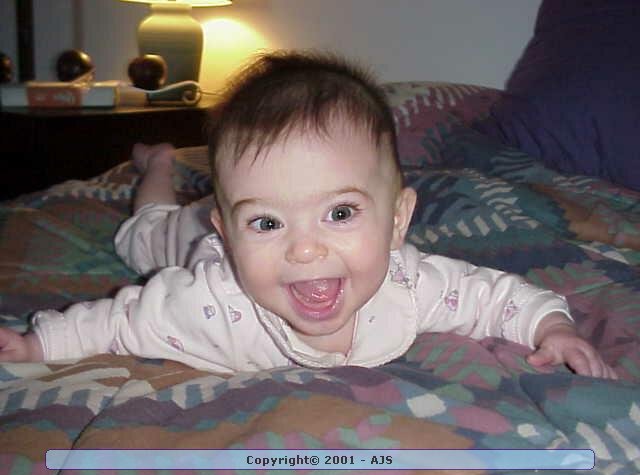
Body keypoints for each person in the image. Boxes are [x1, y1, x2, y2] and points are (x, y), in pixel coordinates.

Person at [0, 51, 616, 378]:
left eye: (340, 212)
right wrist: (35, 344)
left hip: (223, 222)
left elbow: (492, 296)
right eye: (269, 223)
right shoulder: (205, 303)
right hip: (187, 237)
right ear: (230, 232)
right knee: (142, 233)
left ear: (397, 221)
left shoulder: (409, 285)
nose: (304, 249)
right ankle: (158, 166)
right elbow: (119, 321)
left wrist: (551, 328)